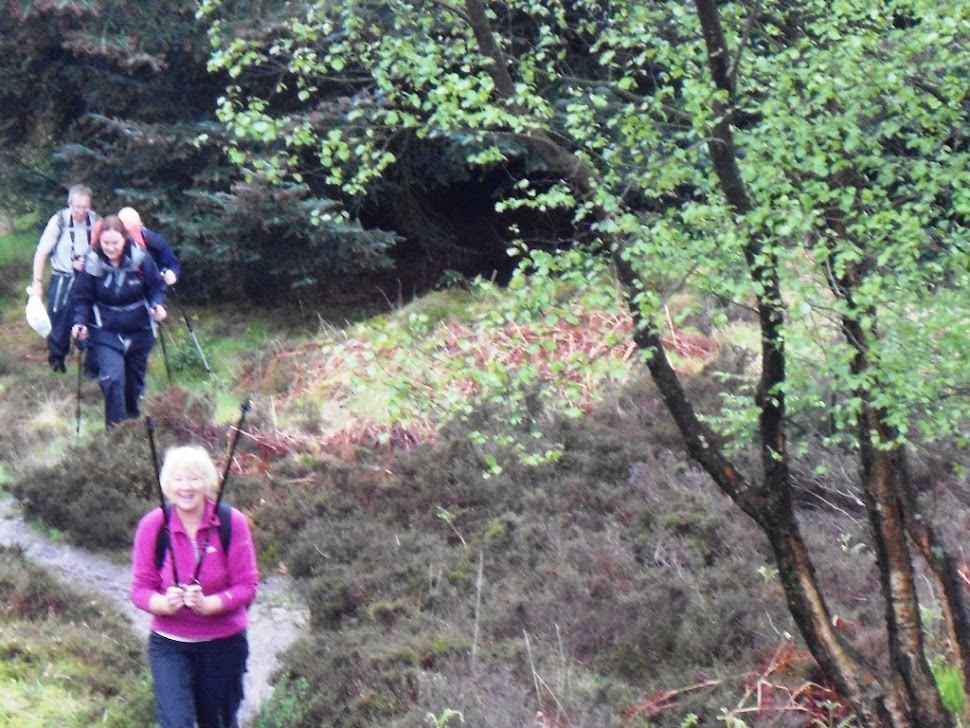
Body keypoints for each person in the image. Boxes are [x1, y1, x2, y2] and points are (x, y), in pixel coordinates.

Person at [131, 445, 259, 728]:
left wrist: (210, 604)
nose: (186, 487)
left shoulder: (231, 522)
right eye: (178, 479)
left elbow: (247, 586)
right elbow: (140, 589)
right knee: (176, 722)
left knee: (218, 722)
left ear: (207, 482)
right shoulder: (152, 525)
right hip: (169, 645)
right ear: (167, 484)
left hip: (224, 644)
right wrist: (163, 604)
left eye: (194, 478)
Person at [70, 215, 168, 427]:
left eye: (115, 242)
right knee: (112, 380)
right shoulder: (91, 262)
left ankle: (131, 425)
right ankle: (114, 432)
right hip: (105, 331)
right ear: (99, 241)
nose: (110, 248)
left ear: (124, 239)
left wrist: (157, 305)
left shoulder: (141, 258)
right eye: (106, 243)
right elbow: (82, 298)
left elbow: (155, 288)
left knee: (133, 386)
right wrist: (79, 322)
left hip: (139, 330)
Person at [30, 184, 100, 372]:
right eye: (77, 207)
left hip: (87, 279)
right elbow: (41, 252)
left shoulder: (95, 221)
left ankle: (89, 362)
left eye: (85, 207)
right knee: (59, 320)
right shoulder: (59, 221)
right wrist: (37, 282)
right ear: (70, 204)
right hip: (63, 278)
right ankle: (57, 360)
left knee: (89, 318)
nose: (81, 212)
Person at [118, 206, 182, 287]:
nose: (130, 235)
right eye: (125, 231)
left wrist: (172, 273)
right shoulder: (110, 243)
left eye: (134, 229)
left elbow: (172, 263)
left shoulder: (154, 241)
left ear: (140, 225)